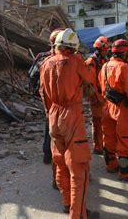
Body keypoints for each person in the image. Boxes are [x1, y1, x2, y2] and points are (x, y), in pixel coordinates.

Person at [39, 29, 98, 219]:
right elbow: (89, 79)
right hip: (71, 114)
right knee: (79, 169)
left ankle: (67, 203)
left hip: (53, 115)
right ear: (73, 47)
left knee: (60, 163)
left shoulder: (45, 64)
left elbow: (42, 93)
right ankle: (78, 214)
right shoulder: (76, 61)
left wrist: (50, 114)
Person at [99, 39, 128, 181]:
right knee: (125, 139)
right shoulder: (124, 68)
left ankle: (111, 165)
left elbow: (100, 86)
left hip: (107, 106)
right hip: (122, 108)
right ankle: (126, 172)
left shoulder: (105, 66)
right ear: (124, 53)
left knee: (109, 137)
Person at [28, 28, 62, 174]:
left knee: (49, 125)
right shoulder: (63, 60)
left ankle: (47, 155)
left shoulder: (41, 57)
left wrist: (38, 93)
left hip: (46, 98)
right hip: (59, 100)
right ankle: (59, 158)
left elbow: (31, 75)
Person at [85, 36, 109, 154]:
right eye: (104, 50)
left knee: (104, 122)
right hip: (96, 96)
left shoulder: (103, 61)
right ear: (99, 49)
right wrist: (96, 97)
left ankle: (103, 144)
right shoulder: (91, 62)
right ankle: (98, 147)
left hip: (103, 95)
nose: (106, 52)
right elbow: (90, 83)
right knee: (98, 122)